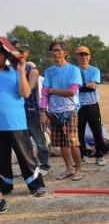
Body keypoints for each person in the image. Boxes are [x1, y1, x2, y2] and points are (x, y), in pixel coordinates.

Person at [0, 42, 46, 213]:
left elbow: (25, 93)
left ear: (5, 56)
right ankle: (5, 185)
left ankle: (35, 185)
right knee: (1, 158)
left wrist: (20, 71)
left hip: (15, 122)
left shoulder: (14, 73)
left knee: (26, 156)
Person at [40, 41, 84, 181]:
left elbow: (72, 91)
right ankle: (69, 168)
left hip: (69, 110)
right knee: (62, 143)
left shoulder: (73, 70)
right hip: (54, 111)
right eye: (53, 51)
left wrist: (52, 90)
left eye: (58, 50)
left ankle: (79, 169)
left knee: (72, 141)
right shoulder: (49, 71)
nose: (55, 53)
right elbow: (44, 93)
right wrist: (43, 111)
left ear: (65, 52)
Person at [11, 40, 51, 175]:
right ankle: (28, 167)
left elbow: (28, 89)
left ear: (26, 53)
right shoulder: (8, 68)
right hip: (15, 113)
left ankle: (44, 165)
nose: (19, 54)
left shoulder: (31, 68)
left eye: (22, 52)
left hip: (30, 110)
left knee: (39, 140)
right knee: (22, 143)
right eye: (16, 52)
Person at [75, 46, 108, 166]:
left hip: (92, 105)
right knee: (79, 132)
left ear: (89, 57)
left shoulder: (94, 70)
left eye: (85, 54)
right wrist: (85, 85)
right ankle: (83, 155)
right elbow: (72, 87)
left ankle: (100, 155)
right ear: (76, 57)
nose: (83, 57)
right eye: (80, 55)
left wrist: (79, 86)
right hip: (78, 106)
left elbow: (93, 86)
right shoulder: (74, 70)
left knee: (97, 131)